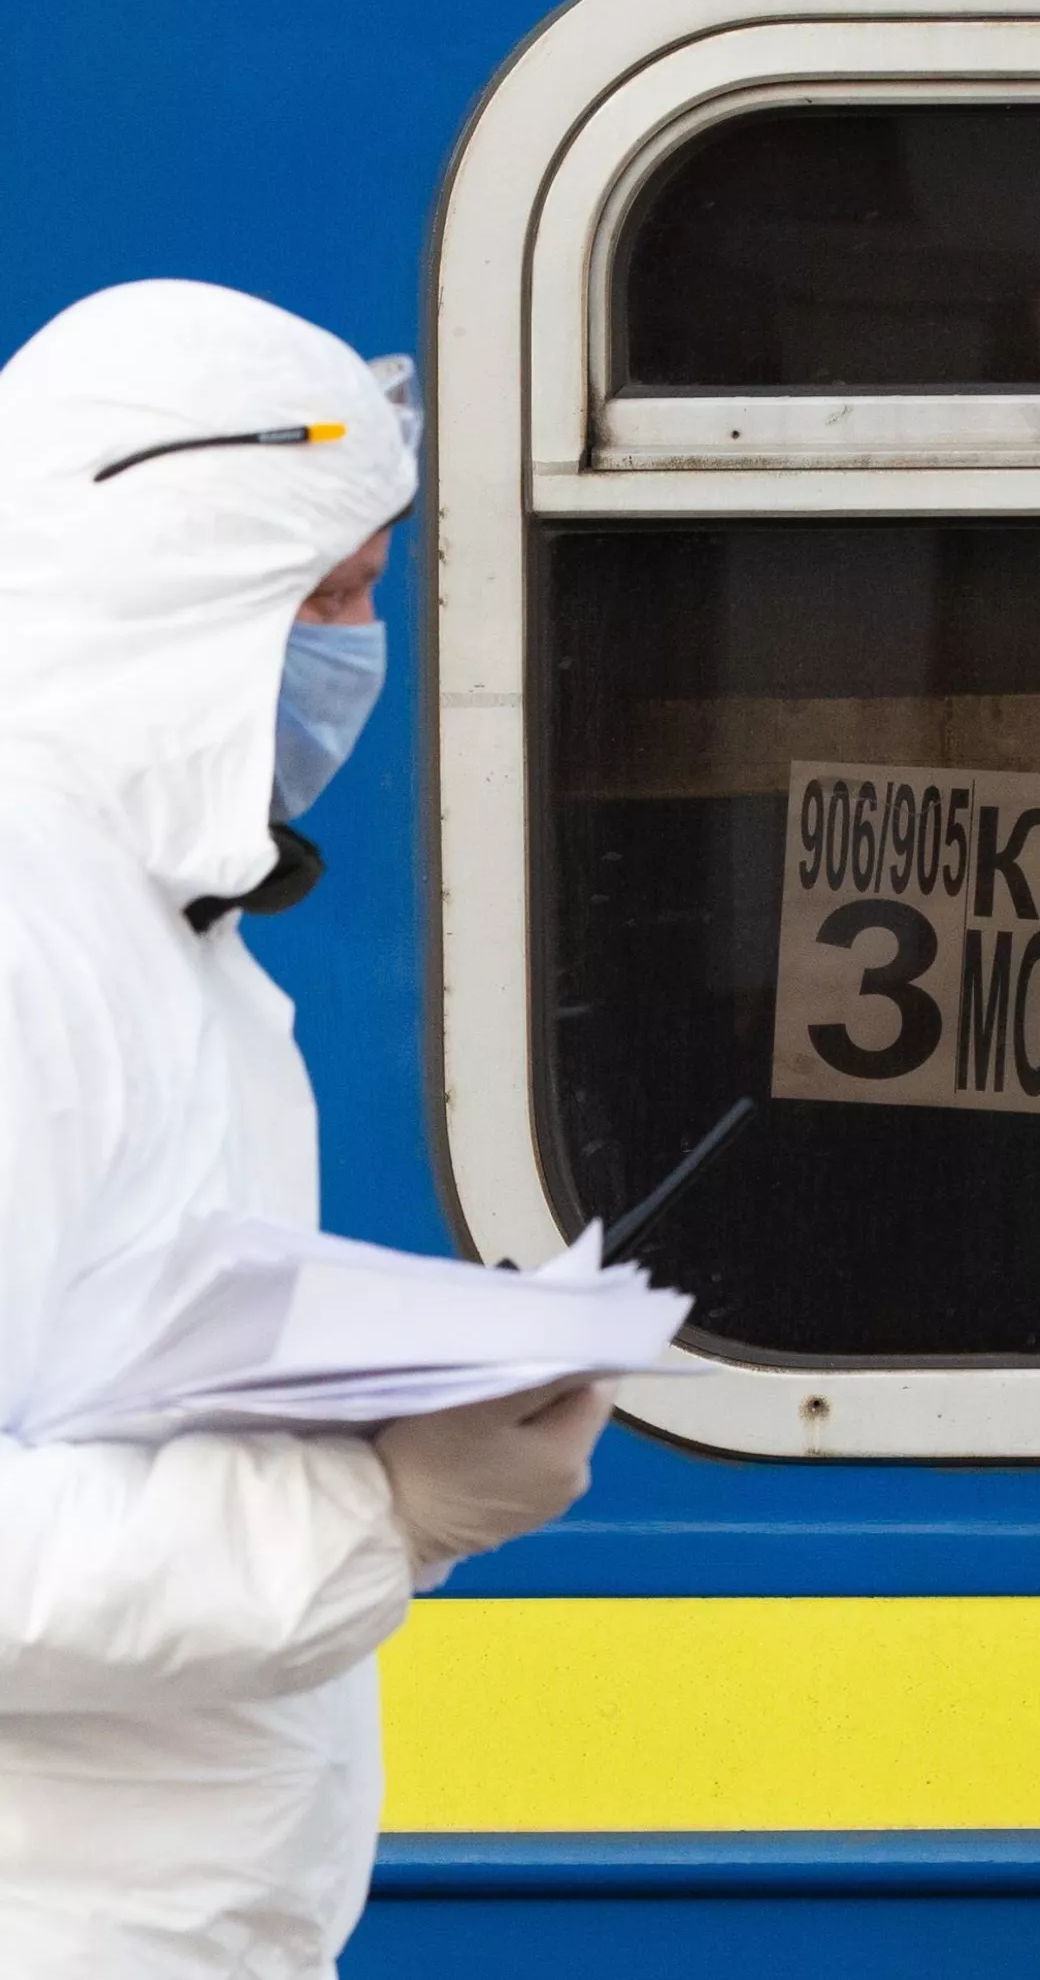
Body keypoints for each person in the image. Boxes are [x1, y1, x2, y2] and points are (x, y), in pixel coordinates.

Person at [0, 280, 614, 1976]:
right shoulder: (27, 938)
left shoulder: (153, 922)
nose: (358, 648)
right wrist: (376, 1512)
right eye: (324, 596)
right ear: (172, 598)